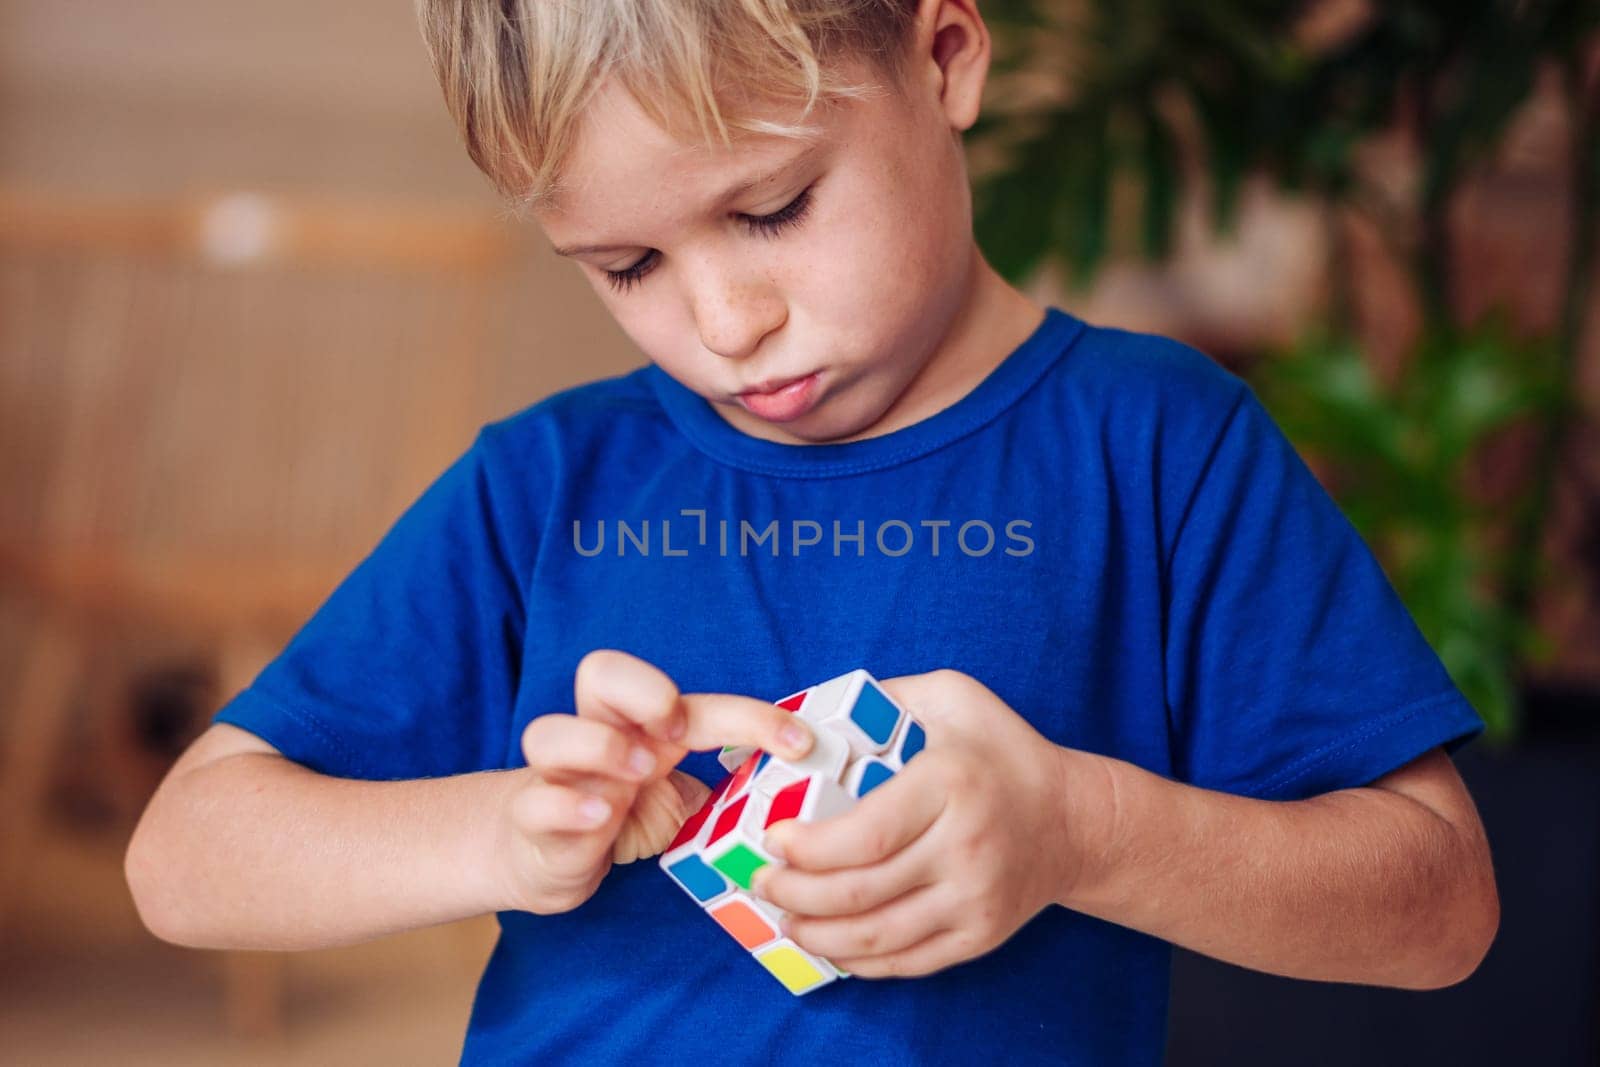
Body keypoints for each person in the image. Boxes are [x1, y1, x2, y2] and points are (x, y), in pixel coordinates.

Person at [125, 1, 1499, 1062]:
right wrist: (513, 830)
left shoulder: (1162, 449)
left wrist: (1082, 832)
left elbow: (1440, 906)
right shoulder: (546, 482)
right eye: (629, 267)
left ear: (947, 54)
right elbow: (186, 859)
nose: (724, 327)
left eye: (772, 209)